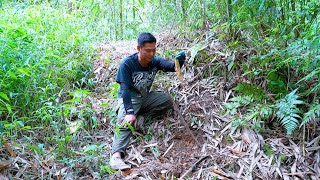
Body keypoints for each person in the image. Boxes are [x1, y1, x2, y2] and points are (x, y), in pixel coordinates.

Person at [109, 32, 186, 170]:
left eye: (154, 50)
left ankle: (141, 118)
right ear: (138, 48)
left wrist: (179, 62)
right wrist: (130, 112)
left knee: (166, 100)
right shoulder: (127, 64)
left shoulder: (154, 62)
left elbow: (170, 66)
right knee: (125, 122)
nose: (151, 54)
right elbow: (125, 90)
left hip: (145, 98)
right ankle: (116, 156)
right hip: (129, 100)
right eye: (147, 50)